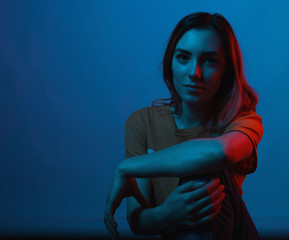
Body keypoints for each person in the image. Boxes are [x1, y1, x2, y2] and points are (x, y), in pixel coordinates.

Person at [104, 12, 263, 240]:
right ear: (171, 63)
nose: (194, 73)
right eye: (183, 58)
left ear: (226, 71)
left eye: (209, 60)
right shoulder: (142, 123)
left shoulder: (243, 121)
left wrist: (126, 168)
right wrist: (166, 214)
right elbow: (137, 220)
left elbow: (221, 152)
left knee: (204, 169)